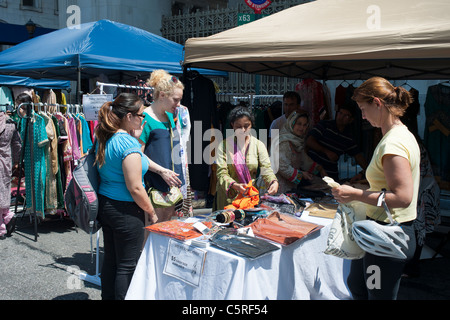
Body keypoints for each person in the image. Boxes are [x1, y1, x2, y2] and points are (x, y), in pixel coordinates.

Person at [331, 76, 420, 300]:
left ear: (377, 104)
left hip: (386, 235)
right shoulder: (396, 135)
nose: (361, 116)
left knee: (377, 293)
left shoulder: (393, 143)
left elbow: (402, 197)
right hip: (379, 233)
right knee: (360, 286)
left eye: (363, 109)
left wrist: (356, 194)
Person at [94, 93, 158, 300]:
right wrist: (151, 211)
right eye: (141, 115)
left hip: (106, 205)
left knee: (112, 260)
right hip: (126, 210)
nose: (143, 119)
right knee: (127, 266)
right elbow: (135, 188)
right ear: (129, 116)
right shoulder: (127, 144)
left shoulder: (105, 137)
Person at [139, 70, 184, 222]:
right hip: (154, 184)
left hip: (171, 186)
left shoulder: (171, 116)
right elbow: (138, 155)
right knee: (153, 229)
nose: (178, 104)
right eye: (176, 100)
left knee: (166, 229)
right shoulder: (145, 118)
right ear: (162, 95)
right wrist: (162, 171)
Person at [213, 107, 278, 211]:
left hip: (249, 196)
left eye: (246, 126)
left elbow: (266, 168)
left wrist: (273, 182)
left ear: (251, 125)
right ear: (232, 125)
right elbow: (221, 173)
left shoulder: (258, 145)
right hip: (228, 196)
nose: (243, 130)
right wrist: (235, 185)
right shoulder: (224, 146)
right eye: (238, 126)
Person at [306, 103, 368, 181]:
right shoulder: (325, 125)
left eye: (346, 116)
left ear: (351, 120)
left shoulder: (348, 137)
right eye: (340, 113)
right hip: (313, 170)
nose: (341, 117)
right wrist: (326, 151)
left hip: (330, 174)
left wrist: (368, 171)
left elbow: (358, 156)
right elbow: (309, 141)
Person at [273, 111, 326, 193]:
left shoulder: (296, 142)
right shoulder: (283, 142)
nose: (302, 128)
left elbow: (304, 161)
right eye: (299, 124)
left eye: (305, 125)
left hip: (287, 187)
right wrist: (301, 174)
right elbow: (282, 166)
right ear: (291, 123)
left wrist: (320, 169)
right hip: (275, 186)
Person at [0, 107, 21, 239]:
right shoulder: (10, 123)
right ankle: (7, 216)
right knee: (3, 190)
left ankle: (2, 225)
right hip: (5, 161)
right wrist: (18, 161)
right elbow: (17, 144)